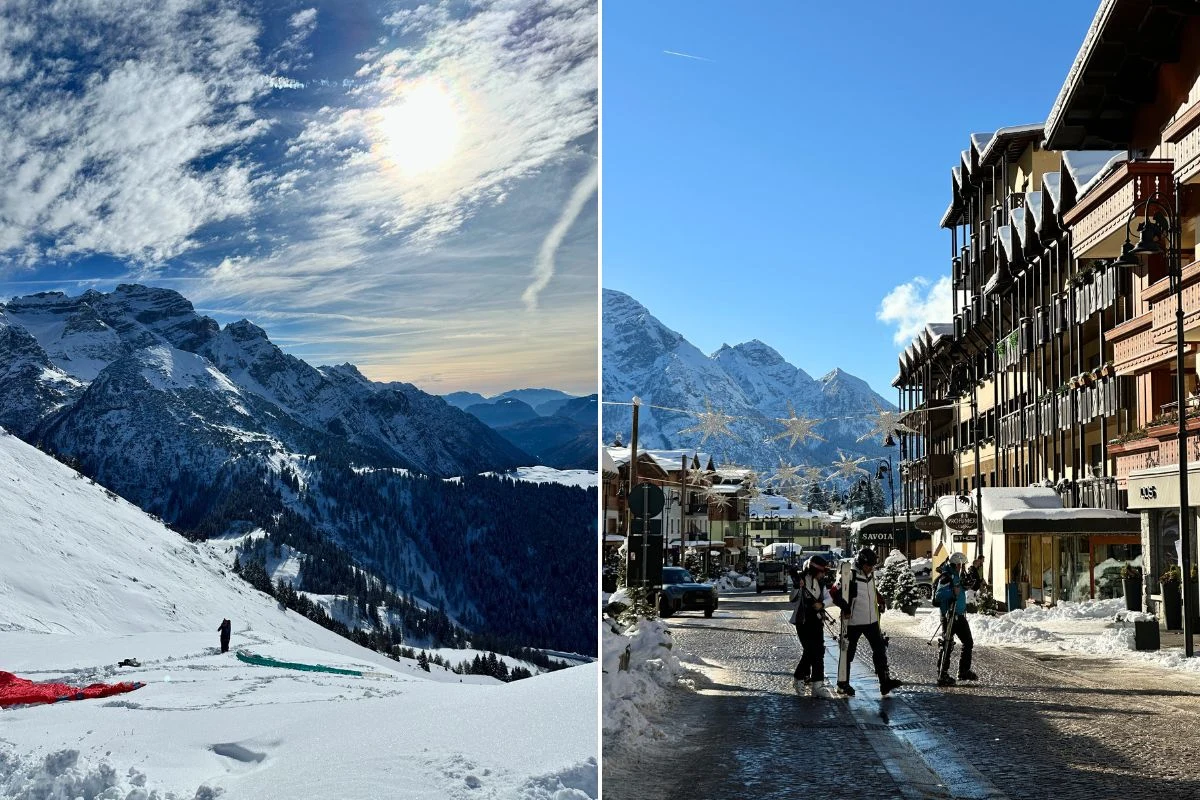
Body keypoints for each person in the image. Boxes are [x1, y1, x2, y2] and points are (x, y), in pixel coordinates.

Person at [831, 548, 903, 697]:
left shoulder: (871, 575)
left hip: (871, 621)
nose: (870, 568)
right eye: (868, 565)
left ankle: (885, 683)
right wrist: (845, 607)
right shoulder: (849, 574)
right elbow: (833, 593)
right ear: (861, 563)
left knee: (880, 650)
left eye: (872, 566)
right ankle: (843, 683)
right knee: (848, 654)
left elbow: (872, 590)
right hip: (853, 622)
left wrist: (880, 600)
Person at [789, 555, 834, 691]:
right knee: (809, 650)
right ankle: (799, 678)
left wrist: (822, 604)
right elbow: (792, 598)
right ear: (815, 570)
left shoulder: (820, 582)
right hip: (802, 620)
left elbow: (828, 598)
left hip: (817, 620)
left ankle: (817, 684)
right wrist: (797, 586)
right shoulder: (801, 578)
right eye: (822, 572)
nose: (823, 575)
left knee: (819, 651)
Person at [934, 552, 976, 685]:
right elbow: (938, 596)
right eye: (961, 565)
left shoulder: (956, 575)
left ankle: (963, 671)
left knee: (968, 642)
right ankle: (942, 674)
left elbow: (958, 589)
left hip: (959, 615)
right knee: (947, 644)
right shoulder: (946, 576)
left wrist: (964, 586)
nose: (962, 567)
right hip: (949, 616)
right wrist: (952, 592)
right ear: (957, 564)